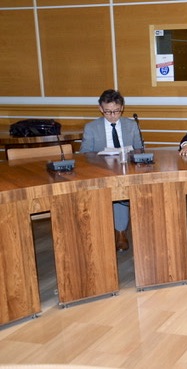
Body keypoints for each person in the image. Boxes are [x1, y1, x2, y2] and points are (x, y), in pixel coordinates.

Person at [79, 89, 143, 252]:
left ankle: (121, 232)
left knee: (122, 187)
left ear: (122, 108)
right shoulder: (91, 127)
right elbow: (84, 154)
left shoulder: (131, 125)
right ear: (101, 109)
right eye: (107, 112)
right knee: (116, 188)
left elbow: (140, 150)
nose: (112, 115)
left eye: (116, 111)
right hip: (100, 170)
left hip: (127, 168)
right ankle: (117, 233)